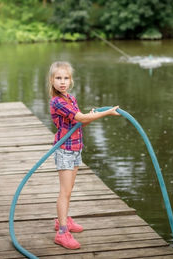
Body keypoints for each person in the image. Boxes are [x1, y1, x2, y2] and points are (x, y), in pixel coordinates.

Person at [48, 61, 120, 249]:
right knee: (64, 192)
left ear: (70, 80)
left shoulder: (71, 98)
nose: (62, 82)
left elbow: (79, 123)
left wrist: (90, 115)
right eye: (58, 78)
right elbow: (79, 118)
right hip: (65, 150)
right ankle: (62, 232)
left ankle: (62, 220)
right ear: (52, 80)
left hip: (76, 147)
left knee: (69, 190)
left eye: (65, 78)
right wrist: (104, 114)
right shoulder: (57, 101)